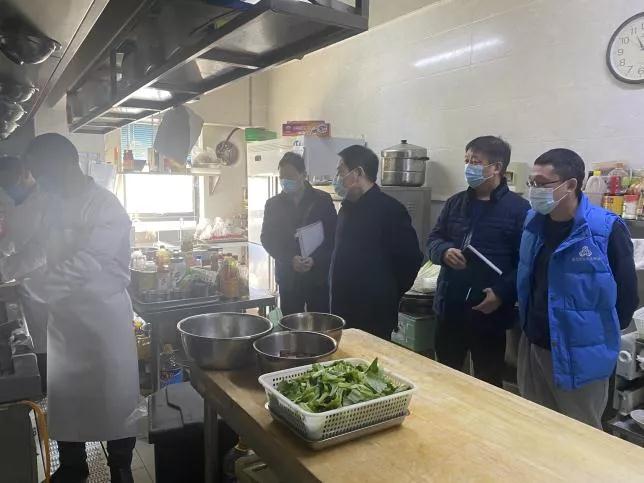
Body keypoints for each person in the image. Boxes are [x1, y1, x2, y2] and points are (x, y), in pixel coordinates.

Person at [22, 133, 140, 483]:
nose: (39, 181)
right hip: (66, 320)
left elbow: (88, 261)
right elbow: (39, 247)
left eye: (42, 173)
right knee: (66, 396)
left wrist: (40, 287)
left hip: (103, 320)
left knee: (114, 396)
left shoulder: (105, 206)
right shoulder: (52, 204)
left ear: (65, 165)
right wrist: (7, 267)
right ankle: (74, 465)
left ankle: (121, 466)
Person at [517, 148, 638, 429]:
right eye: (531, 182)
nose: (534, 190)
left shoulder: (605, 229)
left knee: (580, 433)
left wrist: (594, 335)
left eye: (541, 183)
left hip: (580, 354)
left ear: (570, 185)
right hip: (534, 344)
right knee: (534, 427)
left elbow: (626, 299)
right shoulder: (533, 223)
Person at [427, 136, 530, 387]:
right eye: (466, 160)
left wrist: (502, 292)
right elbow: (433, 239)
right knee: (445, 377)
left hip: (489, 311)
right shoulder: (455, 203)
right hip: (450, 307)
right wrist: (444, 251)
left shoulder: (519, 210)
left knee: (487, 382)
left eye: (475, 161)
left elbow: (526, 263)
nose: (468, 167)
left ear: (496, 167)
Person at [330, 145, 423, 339]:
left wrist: (387, 292)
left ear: (358, 173)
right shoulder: (346, 208)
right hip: (342, 306)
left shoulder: (390, 210)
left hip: (374, 312)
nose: (337, 178)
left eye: (341, 172)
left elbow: (410, 260)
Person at [261, 152, 337, 314]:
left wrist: (315, 259)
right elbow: (267, 238)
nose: (285, 181)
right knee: (290, 323)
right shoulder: (273, 204)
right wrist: (290, 259)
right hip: (288, 277)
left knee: (319, 323)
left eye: (290, 176)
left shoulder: (322, 200)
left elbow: (332, 237)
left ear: (303, 175)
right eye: (282, 177)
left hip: (317, 277)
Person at [0, 155, 49, 393]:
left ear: (25, 173)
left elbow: (41, 251)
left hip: (47, 288)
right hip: (29, 285)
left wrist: (4, 270)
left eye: (11, 183)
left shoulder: (44, 202)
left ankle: (46, 396)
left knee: (47, 350)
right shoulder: (18, 202)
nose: (9, 189)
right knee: (39, 345)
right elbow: (11, 239)